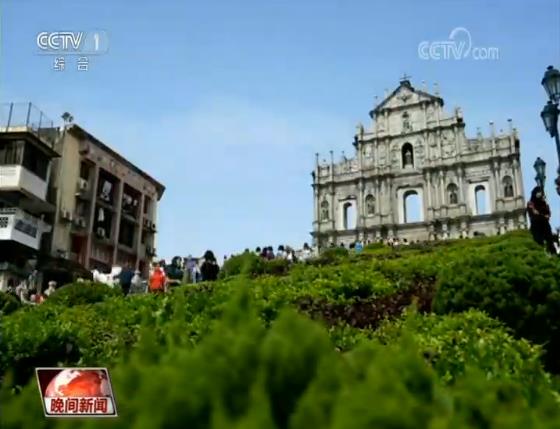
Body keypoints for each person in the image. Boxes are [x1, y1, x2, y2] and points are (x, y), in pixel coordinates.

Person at [527, 186, 557, 255]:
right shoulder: (530, 203)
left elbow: (548, 215)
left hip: (545, 226)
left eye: (540, 192)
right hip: (536, 226)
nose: (540, 193)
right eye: (538, 192)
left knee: (550, 242)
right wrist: (542, 216)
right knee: (539, 243)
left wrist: (541, 215)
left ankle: (553, 255)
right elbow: (534, 213)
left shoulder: (543, 203)